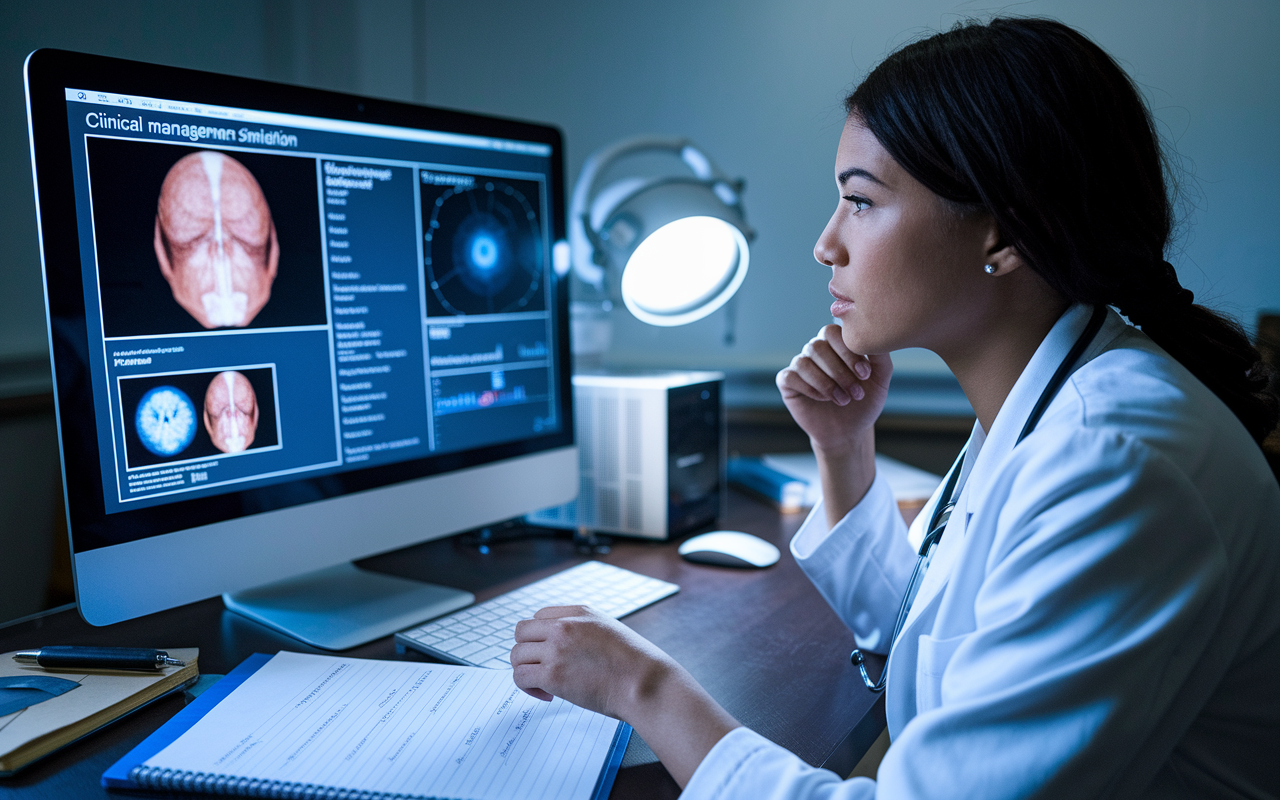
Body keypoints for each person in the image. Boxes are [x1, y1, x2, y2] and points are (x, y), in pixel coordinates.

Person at [511, 17, 1280, 798]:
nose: (826, 243)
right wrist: (844, 450)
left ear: (1002, 233)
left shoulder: (1114, 462)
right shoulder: (1051, 398)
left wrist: (643, 688)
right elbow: (937, 635)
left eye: (861, 201)